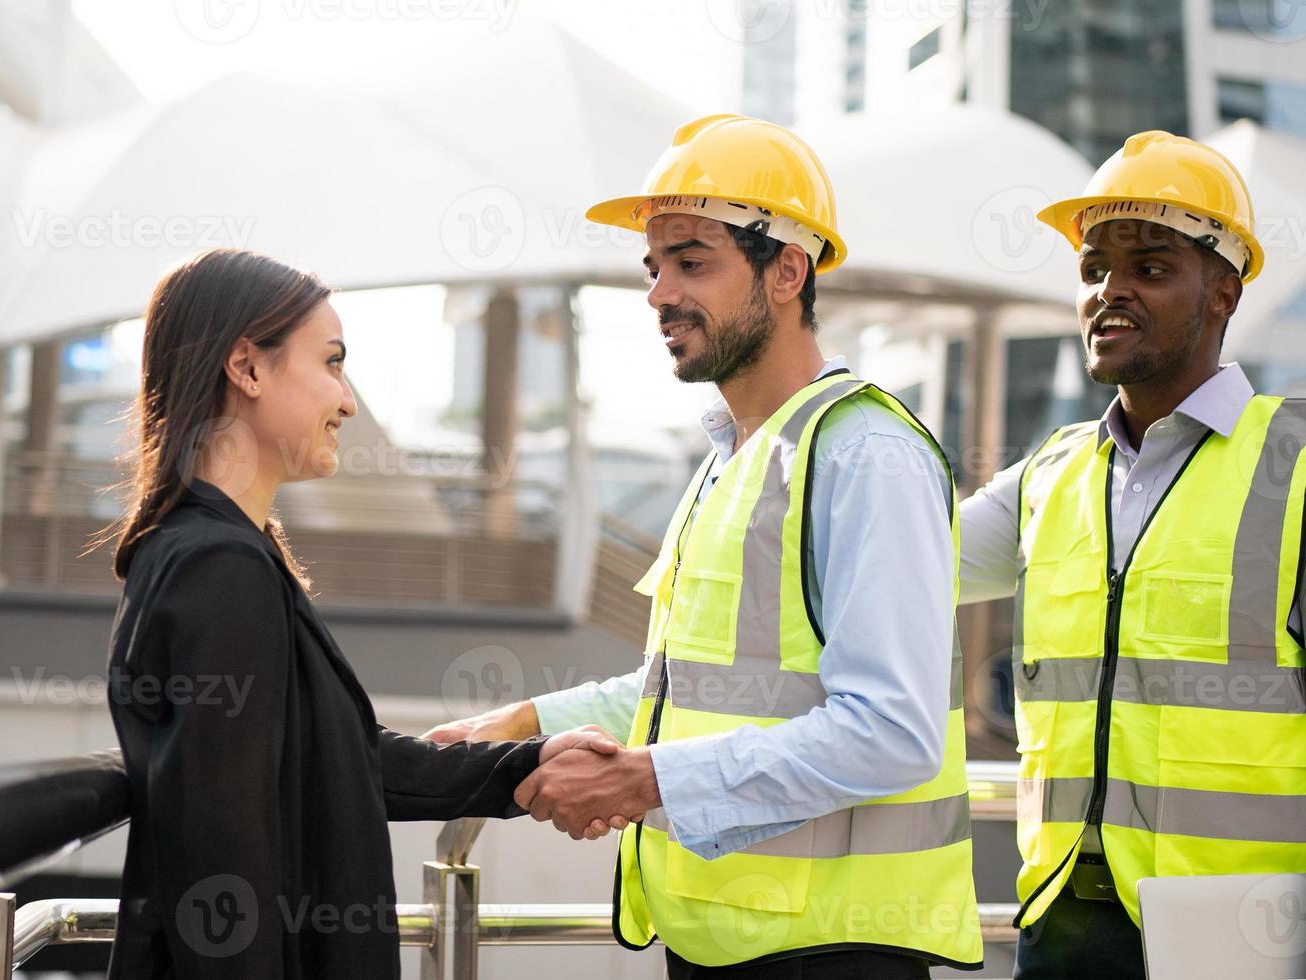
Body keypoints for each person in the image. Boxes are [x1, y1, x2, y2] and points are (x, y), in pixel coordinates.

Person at [428, 115, 983, 977]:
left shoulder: (865, 454)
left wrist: (644, 781)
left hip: (829, 951)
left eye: (692, 262)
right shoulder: (737, 454)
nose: (658, 293)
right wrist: (533, 723)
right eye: (654, 268)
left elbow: (892, 731)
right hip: (722, 938)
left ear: (786, 270)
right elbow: (692, 692)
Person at [102, 248, 616, 979]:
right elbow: (215, 847)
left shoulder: (212, 553)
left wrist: (524, 765)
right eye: (333, 363)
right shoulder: (219, 566)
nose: (346, 401)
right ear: (246, 368)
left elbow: (343, 762)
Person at [958, 131, 1306, 978]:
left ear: (1221, 293)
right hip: (1063, 927)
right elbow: (895, 565)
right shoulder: (1049, 472)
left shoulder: (1294, 462)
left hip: (1243, 940)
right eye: (1092, 271)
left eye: (1148, 269)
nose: (1108, 293)